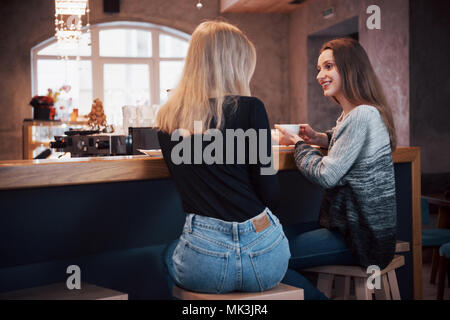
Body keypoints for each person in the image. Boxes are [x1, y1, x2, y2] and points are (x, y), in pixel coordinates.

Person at [156, 20, 293, 295]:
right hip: (265, 258)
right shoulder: (252, 109)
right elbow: (271, 195)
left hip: (205, 262)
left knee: (166, 254)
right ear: (235, 65)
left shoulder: (168, 118)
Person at [274, 37, 397, 271]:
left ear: (351, 68)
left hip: (361, 240)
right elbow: (351, 145)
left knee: (266, 255)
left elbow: (326, 175)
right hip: (354, 232)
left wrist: (298, 143)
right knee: (270, 241)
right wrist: (321, 138)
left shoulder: (362, 115)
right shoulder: (356, 115)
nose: (320, 76)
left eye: (328, 67)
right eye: (319, 69)